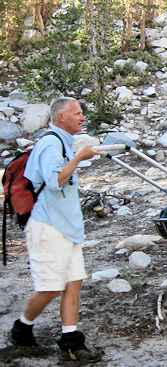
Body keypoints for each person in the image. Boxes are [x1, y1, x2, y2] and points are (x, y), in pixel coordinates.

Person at [9, 97, 101, 363]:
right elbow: (54, 180)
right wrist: (81, 157)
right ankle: (21, 329)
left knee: (73, 283)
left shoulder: (64, 142)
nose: (82, 117)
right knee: (50, 287)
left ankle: (70, 341)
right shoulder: (51, 142)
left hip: (66, 227)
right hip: (48, 227)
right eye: (78, 113)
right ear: (61, 117)